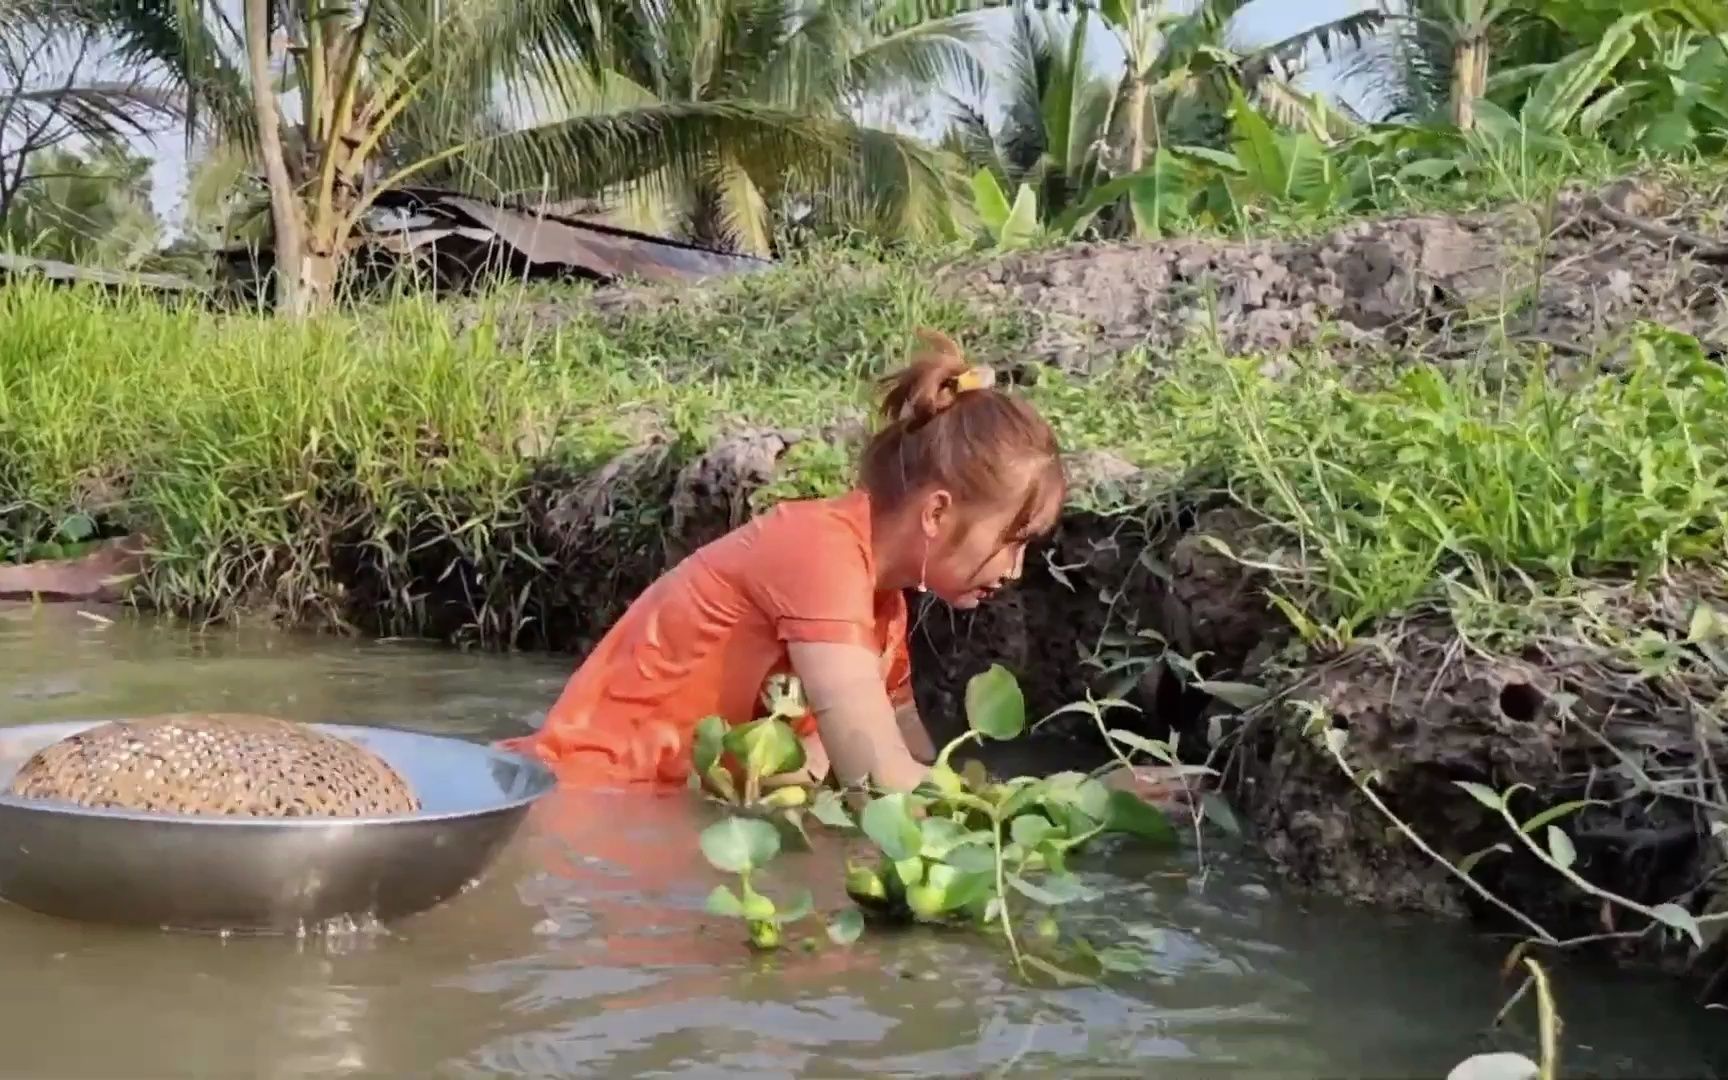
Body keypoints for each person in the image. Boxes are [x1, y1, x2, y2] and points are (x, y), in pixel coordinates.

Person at [501, 329, 1179, 801]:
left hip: (653, 812)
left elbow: (913, 762)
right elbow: (877, 779)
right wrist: (1081, 796)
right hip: (587, 803)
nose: (1014, 568)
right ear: (937, 513)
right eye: (1012, 538)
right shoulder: (820, 553)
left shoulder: (882, 605)